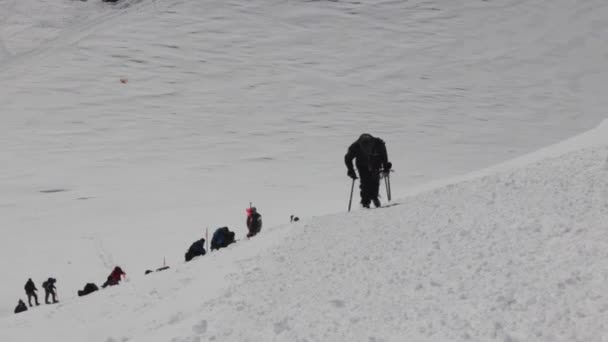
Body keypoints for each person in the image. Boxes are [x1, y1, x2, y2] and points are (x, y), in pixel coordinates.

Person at [344, 133, 392, 208]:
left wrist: (386, 166)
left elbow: (384, 155)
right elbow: (348, 158)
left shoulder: (378, 144)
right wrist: (351, 170)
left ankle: (374, 197)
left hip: (375, 162)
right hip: (362, 164)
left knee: (375, 180)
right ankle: (365, 202)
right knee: (365, 182)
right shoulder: (355, 146)